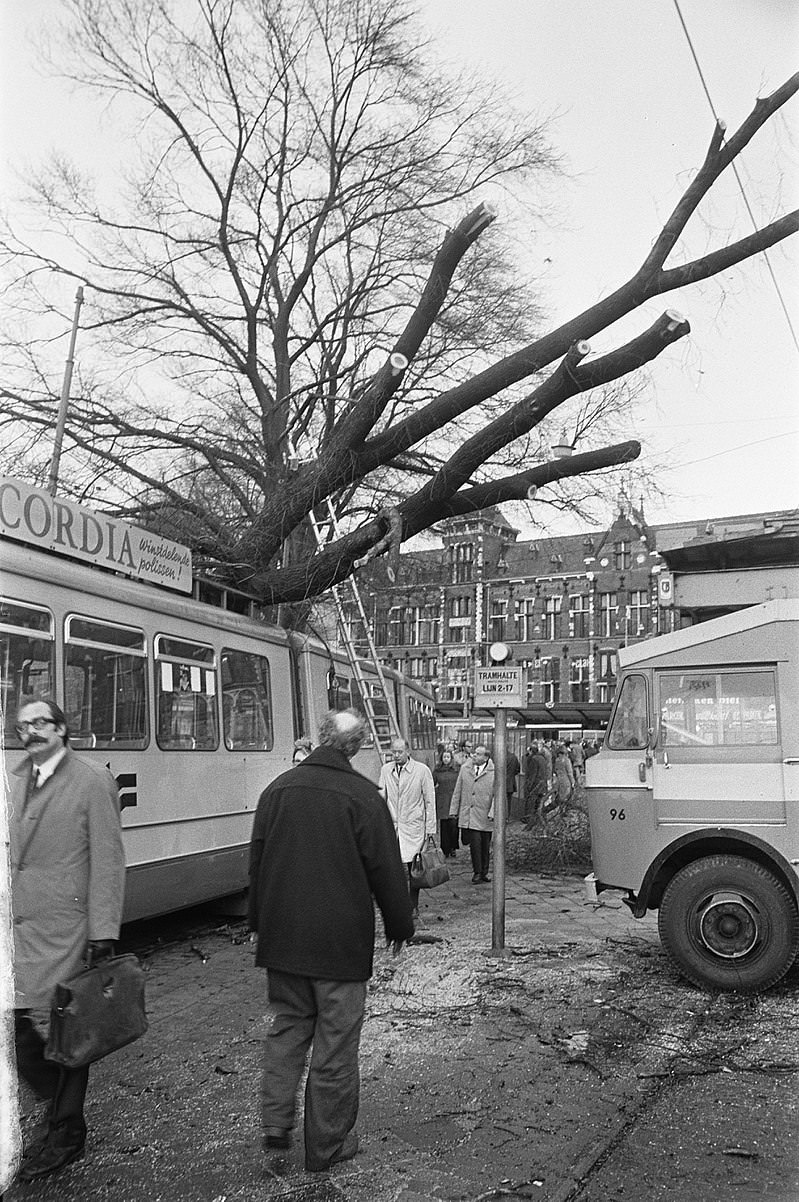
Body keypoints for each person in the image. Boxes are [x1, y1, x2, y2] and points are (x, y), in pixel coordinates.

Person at [249, 709, 414, 1174]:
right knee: (335, 1046)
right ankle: (326, 1147)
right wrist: (400, 926)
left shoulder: (276, 790)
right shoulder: (363, 796)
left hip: (283, 943)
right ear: (357, 746)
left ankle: (275, 1130)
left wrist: (259, 922)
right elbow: (386, 870)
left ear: (320, 739)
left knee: (287, 1031)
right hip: (339, 947)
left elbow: (257, 863)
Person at [10, 698, 126, 1183]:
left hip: (67, 929)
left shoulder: (92, 779)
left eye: (39, 723)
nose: (29, 732)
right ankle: (62, 1117)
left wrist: (103, 934)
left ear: (61, 728)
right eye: (21, 726)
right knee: (23, 1037)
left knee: (63, 1034)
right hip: (20, 928)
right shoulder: (16, 778)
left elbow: (109, 859)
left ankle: (65, 1132)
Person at [378, 737, 436, 918]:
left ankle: (413, 905)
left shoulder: (421, 771)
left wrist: (430, 828)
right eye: (393, 752)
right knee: (394, 868)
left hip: (414, 826)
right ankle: (399, 904)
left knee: (414, 869)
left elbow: (429, 800)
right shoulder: (386, 770)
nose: (396, 755)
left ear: (408, 751)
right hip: (394, 826)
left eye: (399, 752)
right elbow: (381, 796)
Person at [449, 744, 495, 884]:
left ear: (486, 757)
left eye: (478, 754)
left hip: (486, 813)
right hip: (470, 813)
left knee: (485, 845)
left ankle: (484, 871)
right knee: (475, 843)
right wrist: (453, 810)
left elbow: (498, 795)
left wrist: (493, 812)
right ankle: (477, 871)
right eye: (474, 753)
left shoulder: (494, 772)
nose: (474, 755)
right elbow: (458, 791)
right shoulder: (465, 769)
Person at [432, 748, 460, 857]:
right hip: (443, 801)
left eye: (448, 757)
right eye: (444, 757)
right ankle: (445, 849)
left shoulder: (456, 771)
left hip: (453, 800)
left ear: (451, 758)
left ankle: (453, 847)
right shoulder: (437, 771)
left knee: (453, 826)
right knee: (444, 827)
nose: (446, 759)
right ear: (441, 758)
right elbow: (431, 783)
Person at [523, 742, 549, 828]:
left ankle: (530, 821)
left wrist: (529, 786)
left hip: (536, 785)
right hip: (543, 784)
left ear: (531, 751)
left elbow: (533, 774)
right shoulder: (542, 758)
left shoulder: (534, 759)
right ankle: (540, 820)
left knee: (531, 803)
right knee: (540, 804)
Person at [505, 746, 521, 814]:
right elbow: (518, 769)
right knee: (508, 801)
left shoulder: (498, 757)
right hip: (511, 782)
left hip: (501, 783)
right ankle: (507, 816)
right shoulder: (513, 757)